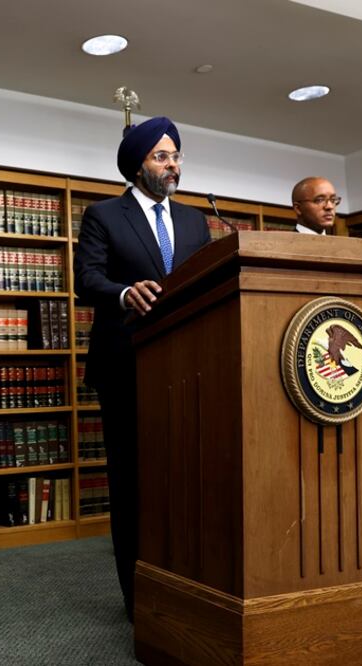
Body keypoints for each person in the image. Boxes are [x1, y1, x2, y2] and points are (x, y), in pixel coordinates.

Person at [73, 117, 211, 621]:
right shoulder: (105, 215)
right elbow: (86, 280)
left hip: (191, 367)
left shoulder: (197, 220)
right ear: (138, 166)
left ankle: (186, 580)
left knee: (185, 478)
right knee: (132, 481)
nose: (172, 164)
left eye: (175, 155)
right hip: (126, 363)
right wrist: (124, 292)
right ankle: (138, 596)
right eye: (161, 156)